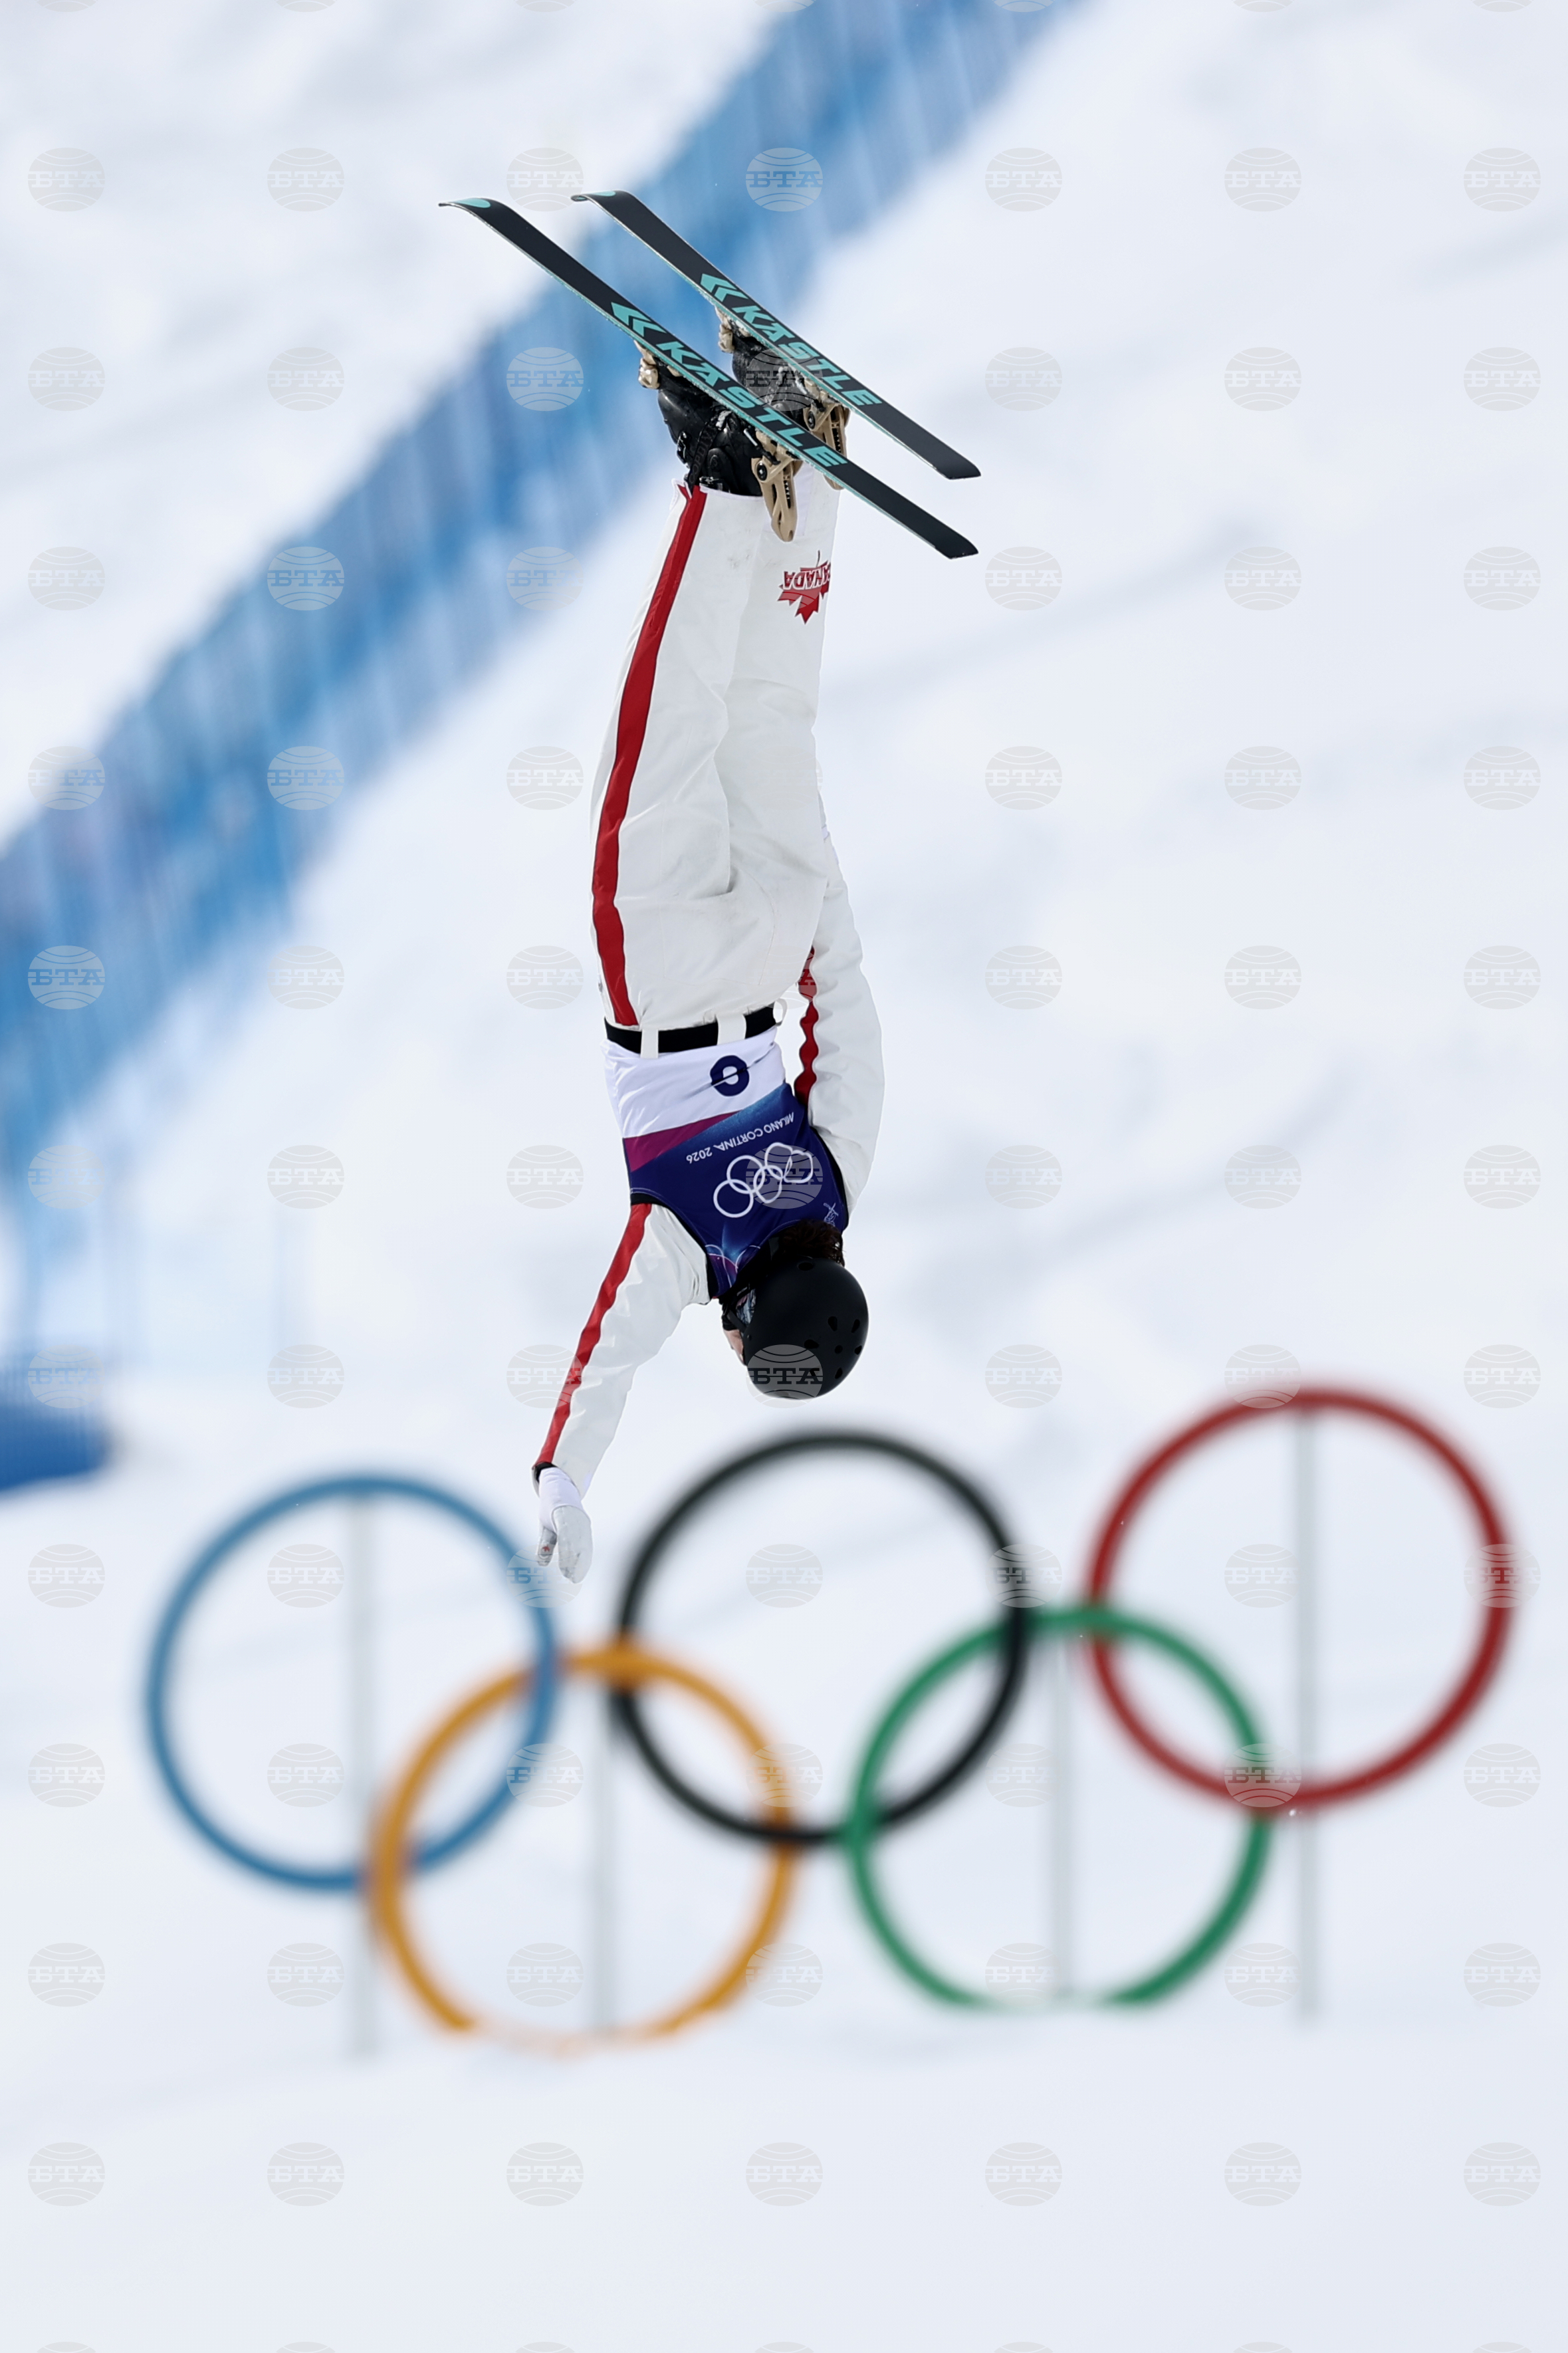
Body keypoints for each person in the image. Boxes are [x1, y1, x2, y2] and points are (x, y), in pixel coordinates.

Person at [532, 333, 885, 1584]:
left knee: (767, 713)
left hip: (773, 939)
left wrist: (815, 893)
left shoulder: (835, 1185)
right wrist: (562, 1476)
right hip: (665, 966)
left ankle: (804, 481)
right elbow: (610, 1352)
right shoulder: (688, 1247)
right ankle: (727, 481)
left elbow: (850, 1017)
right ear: (750, 1325)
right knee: (667, 715)